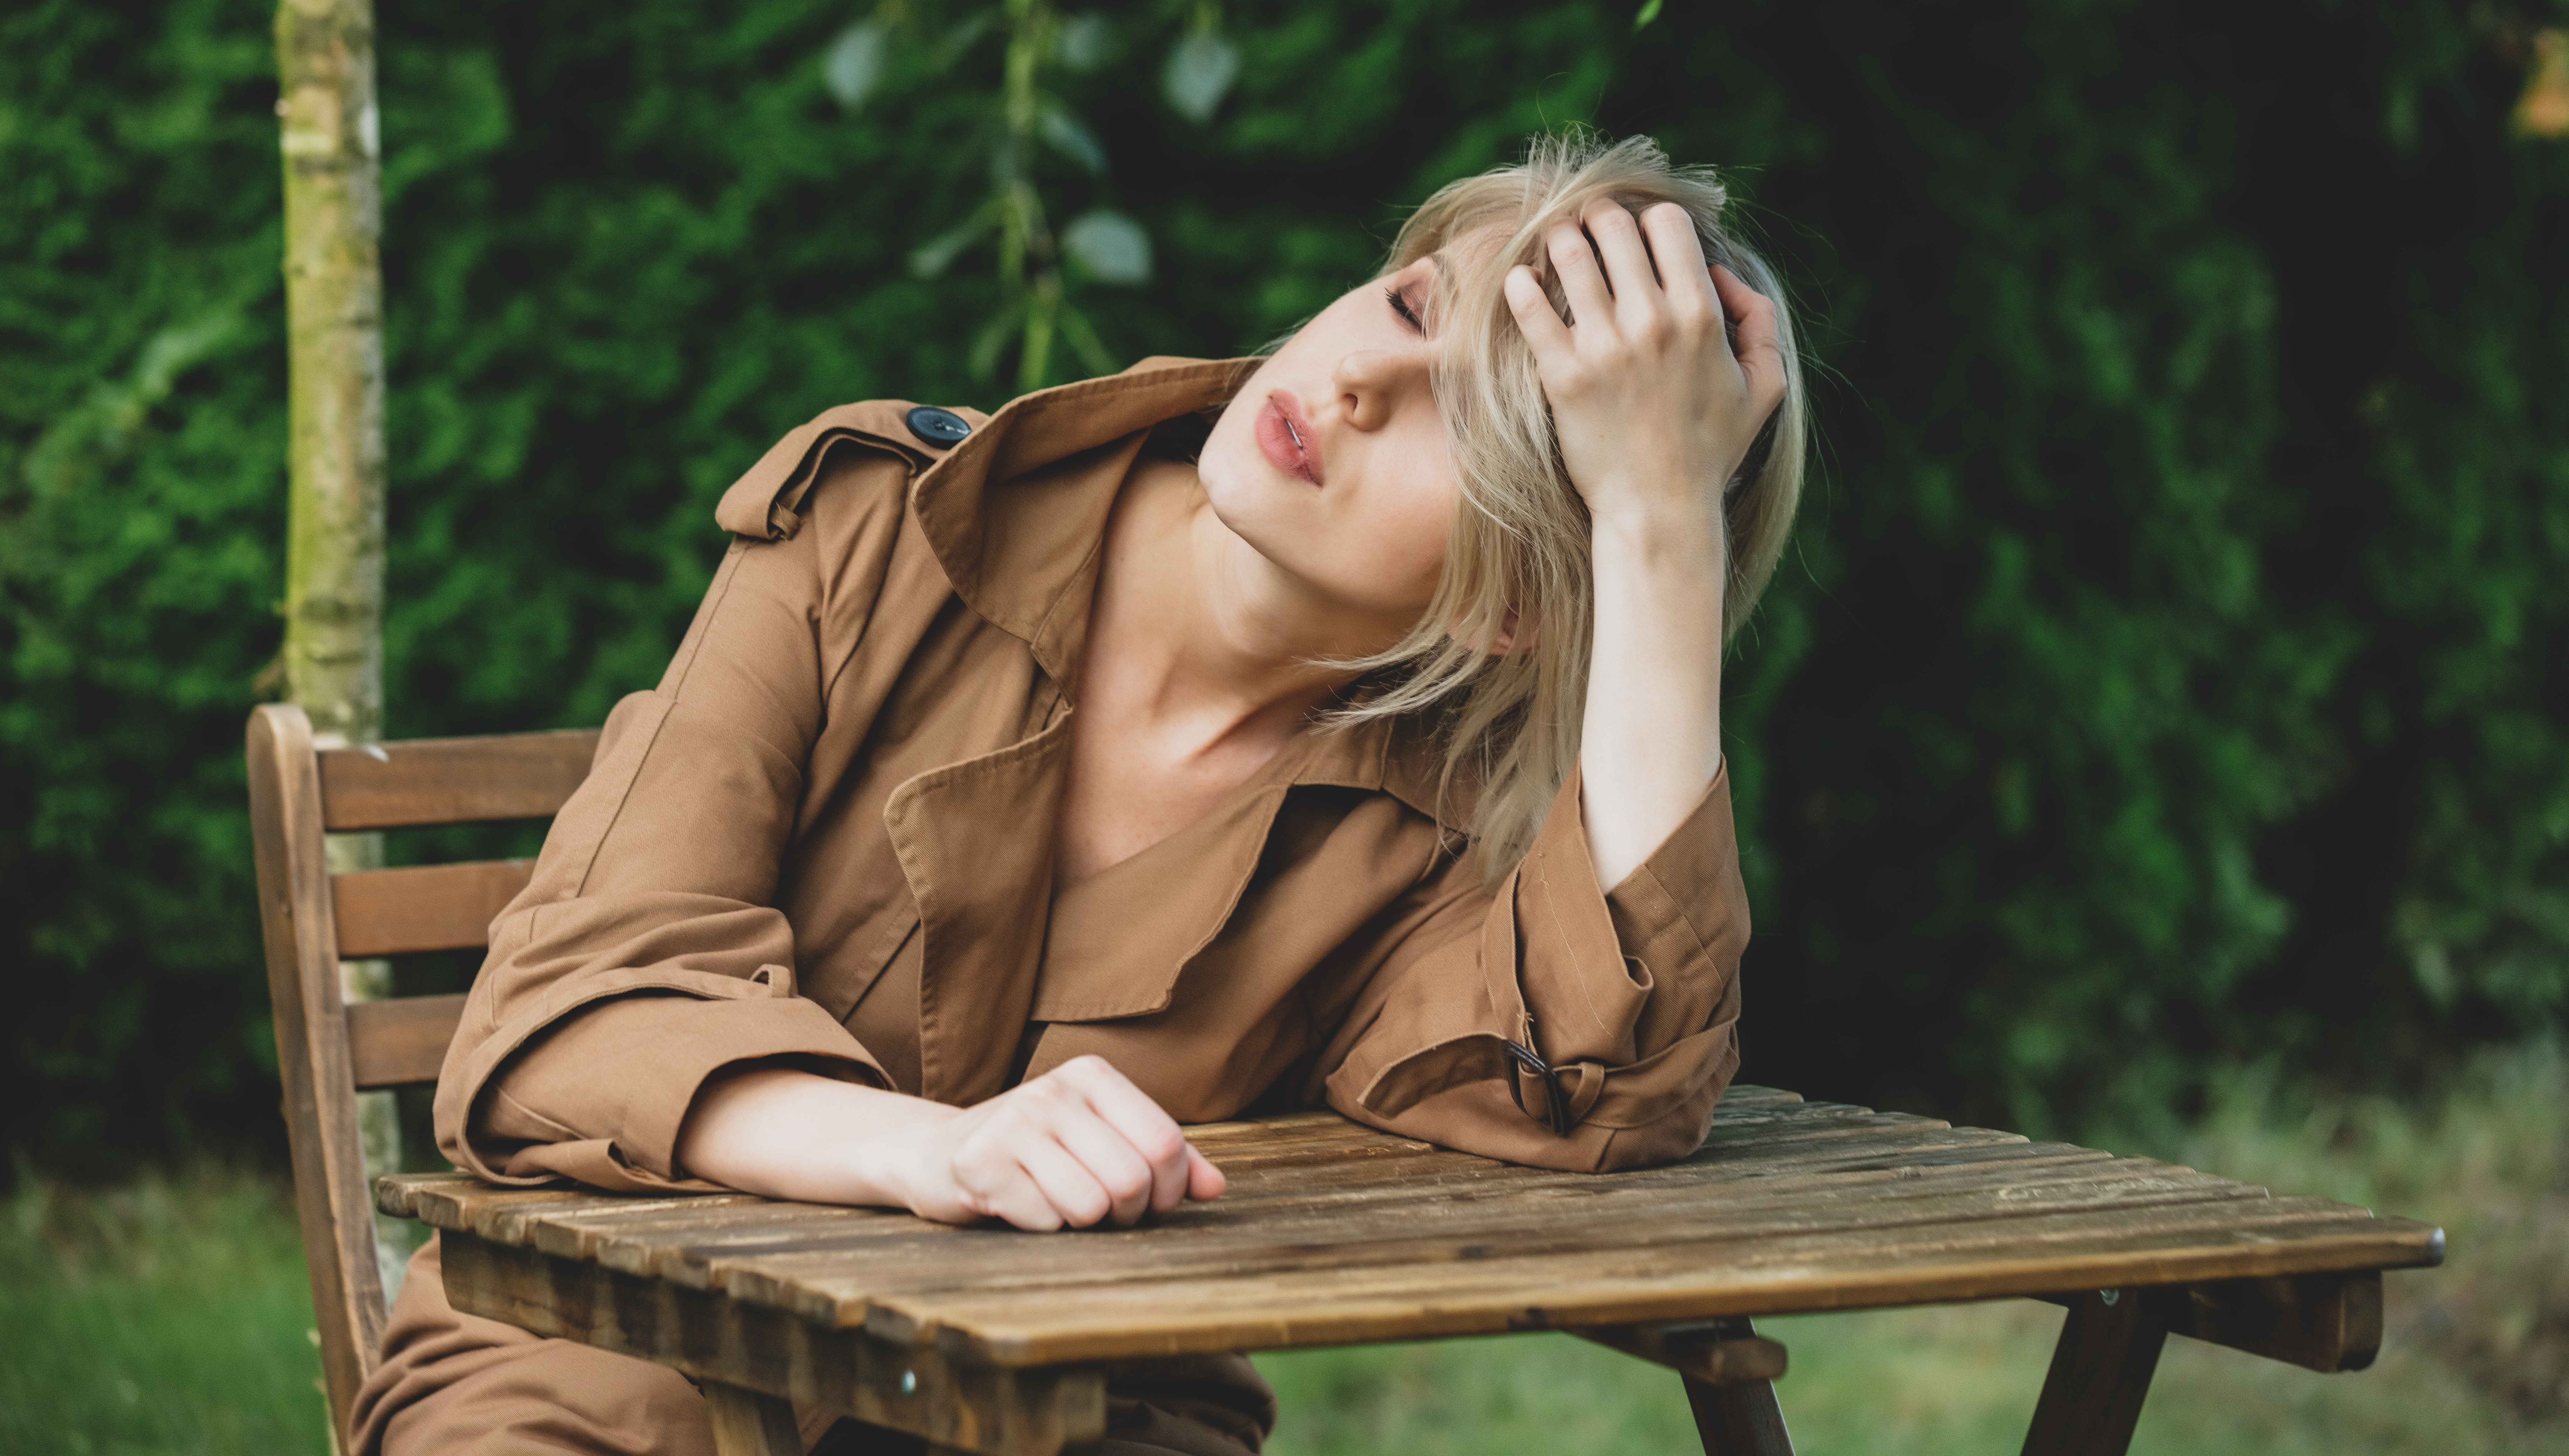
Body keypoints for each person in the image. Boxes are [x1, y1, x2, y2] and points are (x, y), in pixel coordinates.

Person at [351, 131, 1807, 1456]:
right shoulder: (884, 531)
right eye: (1415, 306)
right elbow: (556, 1021)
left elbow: (1605, 1100)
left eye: (1469, 425)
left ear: (1519, 615)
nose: (1360, 384)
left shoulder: (1437, 841)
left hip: (1070, 1423)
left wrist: (1656, 523)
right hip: (613, 1372)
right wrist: (928, 1151)